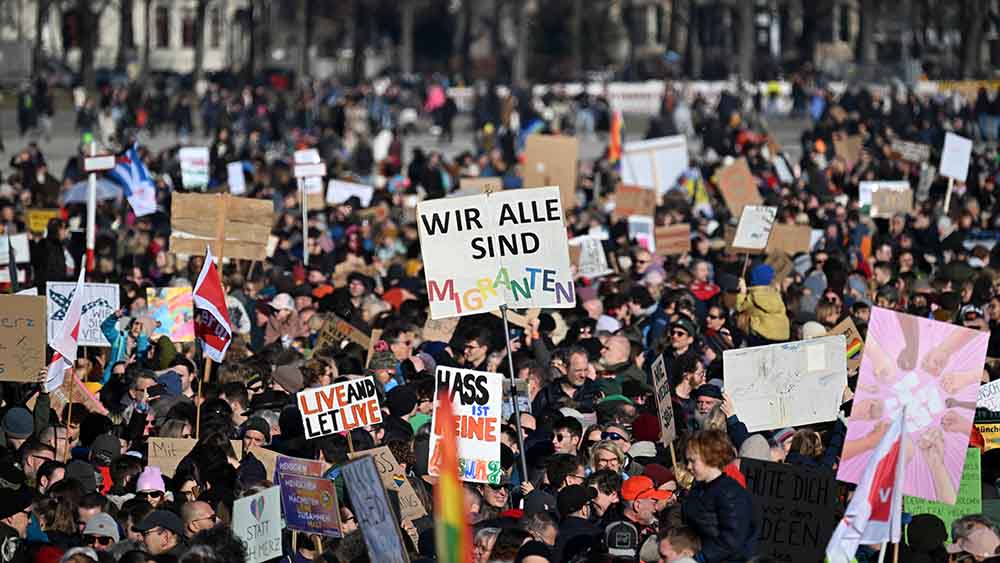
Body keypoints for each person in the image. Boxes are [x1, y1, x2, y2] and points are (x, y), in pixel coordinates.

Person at [682, 429, 757, 562]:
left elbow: (732, 539)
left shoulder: (730, 493)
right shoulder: (698, 488)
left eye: (693, 461)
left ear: (709, 457)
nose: (688, 466)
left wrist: (700, 558)